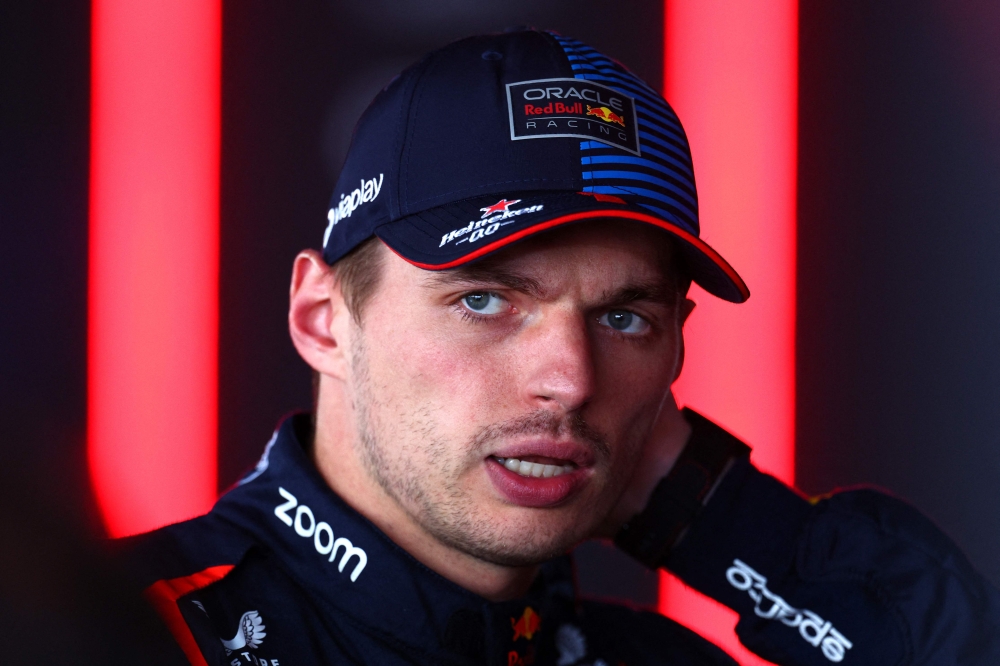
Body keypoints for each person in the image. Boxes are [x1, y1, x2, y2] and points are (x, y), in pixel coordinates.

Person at [119, 29, 1000, 665]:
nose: (571, 381)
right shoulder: (123, 632)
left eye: (625, 319)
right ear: (322, 319)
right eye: (484, 299)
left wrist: (703, 509)